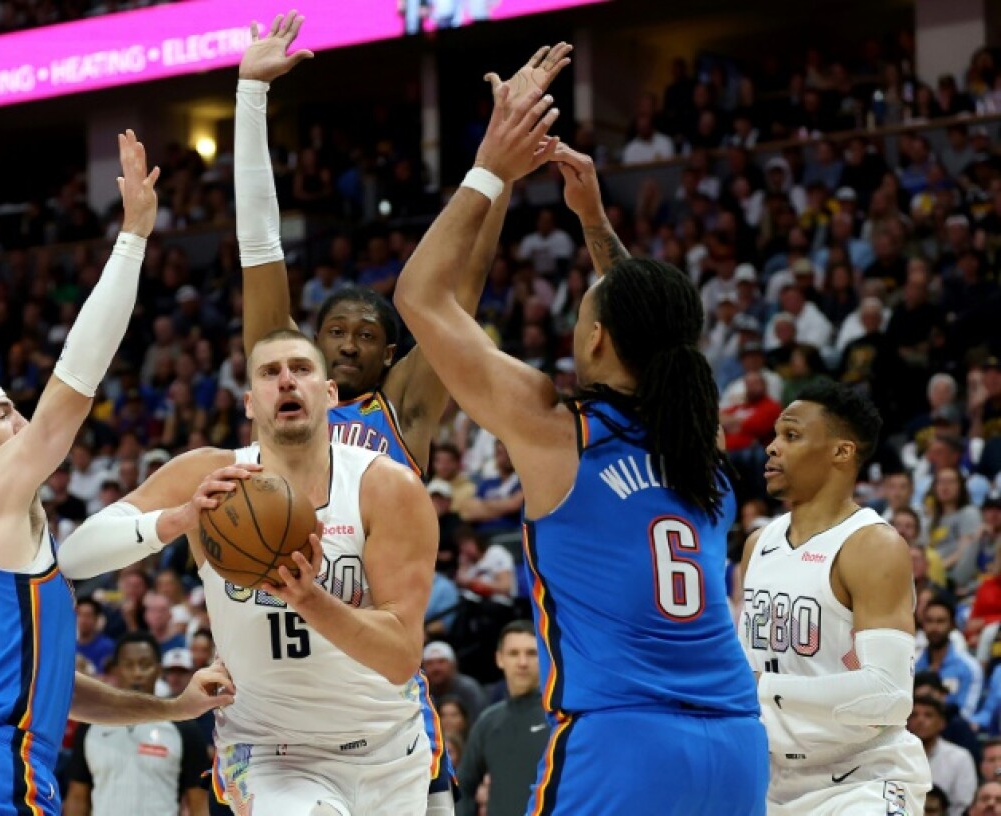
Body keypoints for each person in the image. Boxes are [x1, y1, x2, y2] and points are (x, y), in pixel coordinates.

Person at [394, 81, 767, 813]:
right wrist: (593, 217)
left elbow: (420, 296)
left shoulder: (558, 428)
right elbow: (658, 329)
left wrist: (490, 168)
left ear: (595, 337)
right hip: (737, 745)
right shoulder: (700, 436)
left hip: (624, 744)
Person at [232, 13, 571, 813]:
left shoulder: (405, 406)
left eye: (366, 337)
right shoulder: (284, 384)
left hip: (381, 683)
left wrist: (502, 171)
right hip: (282, 691)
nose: (345, 347)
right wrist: (251, 99)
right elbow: (260, 249)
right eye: (333, 335)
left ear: (393, 357)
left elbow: (459, 291)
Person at [0, 131, 235, 816]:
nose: (20, 425)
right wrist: (134, 236)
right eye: (4, 414)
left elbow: (60, 690)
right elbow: (73, 389)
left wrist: (171, 705)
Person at [68, 328, 440, 815]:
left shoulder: (385, 487)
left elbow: (399, 659)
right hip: (268, 751)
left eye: (302, 369)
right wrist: (178, 519)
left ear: (329, 393)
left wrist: (311, 599)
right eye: (270, 372)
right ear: (248, 403)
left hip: (389, 750)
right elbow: (75, 555)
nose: (287, 381)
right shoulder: (208, 477)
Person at [739, 380, 932, 813]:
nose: (772, 447)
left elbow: (888, 695)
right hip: (769, 780)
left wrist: (760, 688)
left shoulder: (872, 545)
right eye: (774, 435)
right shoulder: (758, 544)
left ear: (841, 452)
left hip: (862, 780)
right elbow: (744, 669)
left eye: (791, 435)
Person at [65, 632, 211, 816]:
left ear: (159, 670)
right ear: (116, 670)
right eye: (129, 665)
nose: (137, 673)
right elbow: (78, 796)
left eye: (145, 664)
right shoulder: (89, 724)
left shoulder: (185, 728)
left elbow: (199, 802)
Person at [455, 621, 549, 816]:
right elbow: (462, 787)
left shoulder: (560, 718)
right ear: (500, 659)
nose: (522, 662)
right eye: (514, 653)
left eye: (532, 653)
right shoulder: (488, 721)